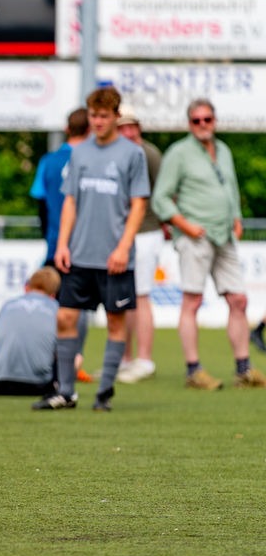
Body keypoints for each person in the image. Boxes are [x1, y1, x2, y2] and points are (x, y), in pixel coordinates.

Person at [32, 86, 150, 412]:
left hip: (115, 258)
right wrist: (62, 244)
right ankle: (66, 392)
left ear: (116, 116)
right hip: (79, 255)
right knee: (65, 317)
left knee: (115, 323)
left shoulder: (132, 154)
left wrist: (123, 248)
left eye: (104, 116)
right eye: (94, 116)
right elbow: (70, 202)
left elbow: (139, 205)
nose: (98, 121)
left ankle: (104, 393)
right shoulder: (80, 153)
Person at [151, 98, 266, 390]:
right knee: (192, 301)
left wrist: (237, 217)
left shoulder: (223, 150)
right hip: (195, 237)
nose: (203, 124)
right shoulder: (178, 153)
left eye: (207, 119)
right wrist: (185, 225)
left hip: (224, 235)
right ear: (189, 124)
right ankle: (194, 370)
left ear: (215, 121)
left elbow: (231, 188)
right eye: (196, 120)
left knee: (239, 300)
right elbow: (160, 197)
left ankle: (243, 369)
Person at [29, 108, 95, 384]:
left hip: (56, 245)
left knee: (48, 306)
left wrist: (51, 238)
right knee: (79, 308)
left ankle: (44, 361)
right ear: (90, 129)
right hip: (87, 246)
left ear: (67, 129)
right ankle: (74, 363)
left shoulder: (49, 161)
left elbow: (40, 201)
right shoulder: (94, 158)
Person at [115, 106, 164, 384]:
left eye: (132, 126)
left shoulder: (149, 154)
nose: (129, 132)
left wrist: (165, 223)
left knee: (141, 296)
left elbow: (164, 192)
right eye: (123, 127)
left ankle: (144, 359)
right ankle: (124, 359)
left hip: (146, 233)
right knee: (123, 298)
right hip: (121, 235)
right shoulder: (115, 153)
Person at [0, 267, 60, 396]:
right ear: (53, 295)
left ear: (27, 288)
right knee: (75, 359)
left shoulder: (8, 305)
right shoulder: (57, 308)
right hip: (42, 385)